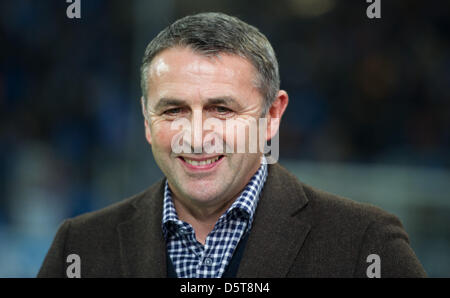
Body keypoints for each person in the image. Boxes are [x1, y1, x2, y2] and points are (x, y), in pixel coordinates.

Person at [37, 12, 426, 278]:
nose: (196, 135)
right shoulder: (80, 247)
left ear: (272, 116)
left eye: (221, 109)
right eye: (173, 110)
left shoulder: (364, 245)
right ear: (146, 120)